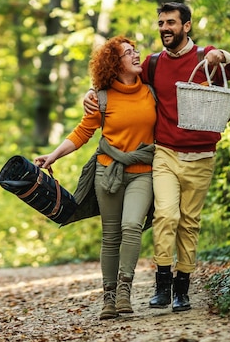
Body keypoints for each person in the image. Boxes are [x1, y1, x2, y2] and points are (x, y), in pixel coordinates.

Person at [84, 2, 230, 312]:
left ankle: (182, 287)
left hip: (202, 155)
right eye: (161, 23)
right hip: (166, 153)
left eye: (171, 22)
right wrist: (91, 92)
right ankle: (162, 284)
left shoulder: (205, 57)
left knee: (189, 223)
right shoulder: (153, 64)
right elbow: (118, 80)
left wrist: (222, 56)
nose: (165, 28)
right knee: (166, 216)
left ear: (186, 26)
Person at [35, 36, 156, 320]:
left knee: (132, 226)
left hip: (143, 172)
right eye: (129, 53)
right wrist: (52, 155)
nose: (136, 55)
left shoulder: (151, 92)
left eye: (135, 50)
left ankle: (125, 289)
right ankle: (109, 297)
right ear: (116, 64)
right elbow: (81, 133)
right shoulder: (100, 99)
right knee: (111, 235)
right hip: (107, 172)